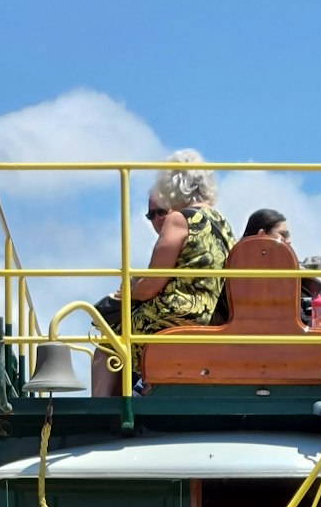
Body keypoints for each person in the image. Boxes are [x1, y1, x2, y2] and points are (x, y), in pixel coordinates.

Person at [97, 150, 235, 377]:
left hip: (175, 316)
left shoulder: (180, 219)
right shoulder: (223, 223)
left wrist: (126, 293)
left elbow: (152, 284)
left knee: (107, 340)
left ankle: (105, 408)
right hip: (210, 317)